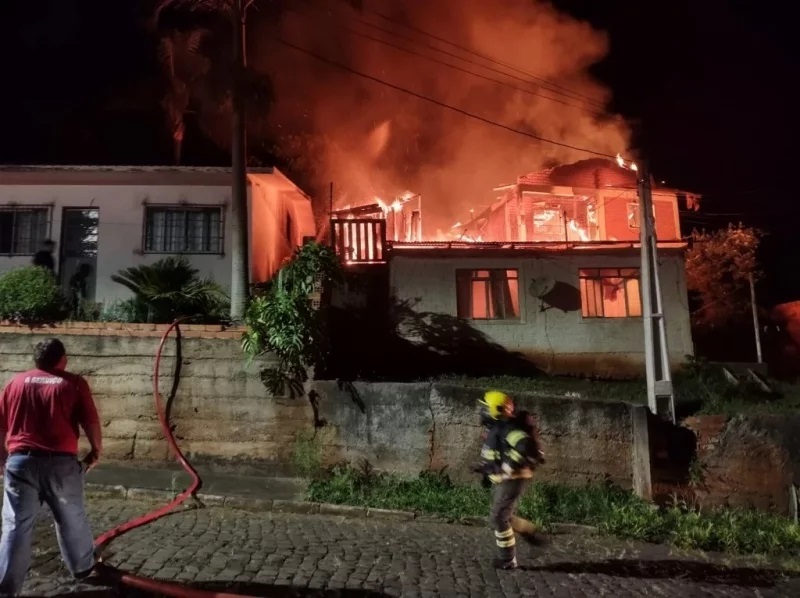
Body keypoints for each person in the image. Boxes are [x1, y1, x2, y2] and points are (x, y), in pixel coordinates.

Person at [0, 338, 103, 596]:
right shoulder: (74, 384)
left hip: (20, 462)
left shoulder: (14, 383)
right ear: (62, 359)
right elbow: (90, 421)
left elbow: (1, 425)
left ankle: (7, 587)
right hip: (61, 465)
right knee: (71, 518)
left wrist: (2, 459)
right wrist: (95, 452)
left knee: (15, 525)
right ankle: (82, 569)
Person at [477, 391, 545, 570]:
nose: (482, 411)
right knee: (502, 515)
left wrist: (509, 466)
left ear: (496, 409)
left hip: (513, 479)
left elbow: (524, 444)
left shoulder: (507, 428)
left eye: (485, 408)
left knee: (498, 517)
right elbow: (496, 452)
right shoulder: (497, 427)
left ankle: (507, 560)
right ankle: (532, 532)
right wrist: (486, 472)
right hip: (505, 479)